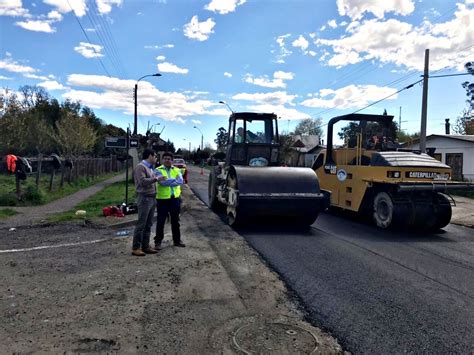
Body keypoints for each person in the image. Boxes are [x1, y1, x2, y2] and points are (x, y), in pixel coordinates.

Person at [132, 149, 164, 256]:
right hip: (144, 198)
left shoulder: (149, 168)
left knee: (148, 224)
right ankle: (136, 247)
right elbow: (142, 181)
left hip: (151, 198)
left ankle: (145, 246)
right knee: (141, 224)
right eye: (155, 156)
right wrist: (156, 179)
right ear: (149, 156)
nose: (156, 158)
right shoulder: (140, 167)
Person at [154, 152, 186, 248]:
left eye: (169, 159)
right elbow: (163, 183)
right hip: (162, 199)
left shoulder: (177, 170)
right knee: (161, 221)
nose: (167, 160)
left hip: (175, 199)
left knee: (175, 221)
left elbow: (180, 181)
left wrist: (168, 180)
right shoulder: (157, 170)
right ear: (162, 160)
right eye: (165, 159)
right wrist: (173, 180)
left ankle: (177, 241)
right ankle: (158, 242)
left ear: (172, 161)